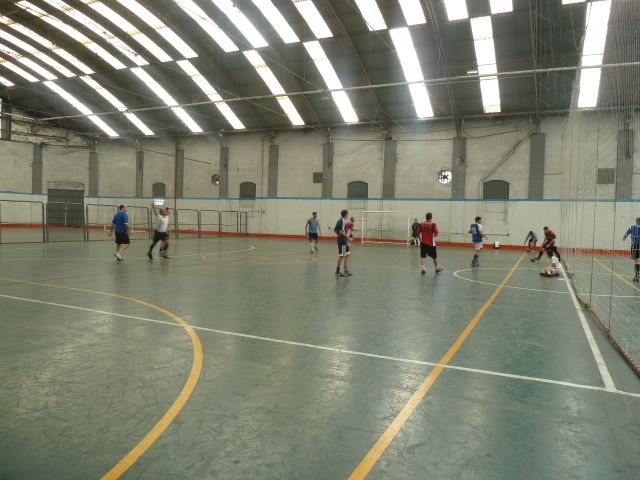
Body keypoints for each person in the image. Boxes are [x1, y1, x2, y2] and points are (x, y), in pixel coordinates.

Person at [334, 209, 352, 277]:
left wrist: (339, 234)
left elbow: (335, 230)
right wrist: (348, 237)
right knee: (341, 256)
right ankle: (337, 271)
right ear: (346, 214)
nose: (348, 215)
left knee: (347, 254)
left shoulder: (340, 220)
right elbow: (341, 232)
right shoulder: (342, 221)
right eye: (347, 214)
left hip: (343, 240)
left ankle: (345, 270)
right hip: (342, 241)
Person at [622, 217, 640, 282]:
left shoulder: (631, 227)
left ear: (636, 221)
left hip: (634, 246)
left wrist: (624, 238)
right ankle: (637, 275)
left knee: (636, 261)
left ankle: (637, 275)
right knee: (638, 261)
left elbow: (626, 234)